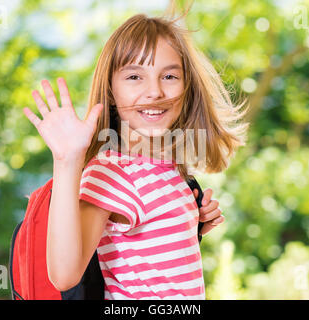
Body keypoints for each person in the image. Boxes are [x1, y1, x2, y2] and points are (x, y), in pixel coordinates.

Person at [23, 10, 248, 300]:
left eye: (169, 75)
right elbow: (64, 275)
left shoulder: (169, 167)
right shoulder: (111, 171)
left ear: (187, 85)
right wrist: (67, 162)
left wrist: (193, 223)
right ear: (111, 90)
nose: (154, 91)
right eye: (134, 76)